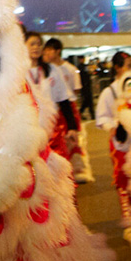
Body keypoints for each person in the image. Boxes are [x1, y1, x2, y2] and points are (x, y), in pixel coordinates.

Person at [94, 50, 131, 250]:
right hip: (122, 147)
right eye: (129, 65)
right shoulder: (109, 92)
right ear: (118, 68)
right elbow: (101, 118)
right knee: (124, 184)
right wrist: (114, 126)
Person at [43, 38, 94, 183]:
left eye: (49, 49)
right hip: (55, 110)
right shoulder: (45, 69)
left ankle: (78, 169)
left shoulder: (70, 69)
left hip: (68, 106)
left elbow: (76, 90)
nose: (46, 52)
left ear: (57, 51)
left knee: (73, 139)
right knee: (58, 141)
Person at [25, 31, 78, 162]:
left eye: (39, 44)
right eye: (32, 44)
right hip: (28, 127)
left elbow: (64, 99)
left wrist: (72, 126)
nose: (36, 47)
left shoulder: (52, 70)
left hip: (52, 128)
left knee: (55, 165)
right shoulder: (18, 72)